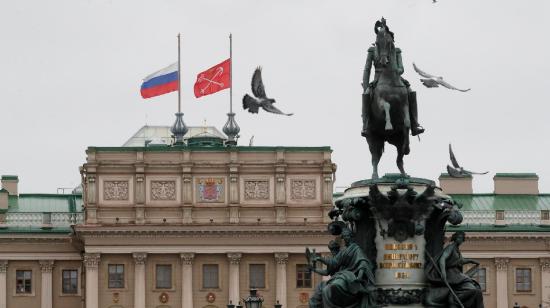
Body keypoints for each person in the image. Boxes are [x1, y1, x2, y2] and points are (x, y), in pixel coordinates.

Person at [362, 18, 424, 137]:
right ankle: (366, 125)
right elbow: (367, 69)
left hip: (396, 76)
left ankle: (415, 124)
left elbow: (401, 68)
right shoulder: (372, 51)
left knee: (410, 92)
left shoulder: (396, 51)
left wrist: (394, 70)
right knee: (366, 94)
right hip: (377, 79)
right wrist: (365, 86)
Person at [308, 229, 376, 308]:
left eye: (347, 236)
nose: (345, 238)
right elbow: (334, 263)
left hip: (351, 274)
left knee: (332, 287)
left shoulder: (356, 248)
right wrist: (318, 260)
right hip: (343, 274)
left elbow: (363, 262)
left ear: (351, 237)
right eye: (344, 237)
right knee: (322, 288)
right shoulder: (344, 250)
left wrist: (359, 277)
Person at [425, 231, 484, 308]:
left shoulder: (456, 249)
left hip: (456, 274)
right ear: (455, 238)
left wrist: (470, 261)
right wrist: (443, 273)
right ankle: (454, 300)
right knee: (473, 289)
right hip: (452, 274)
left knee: (475, 289)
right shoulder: (451, 247)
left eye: (462, 238)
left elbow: (461, 261)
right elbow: (442, 259)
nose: (460, 240)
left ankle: (456, 299)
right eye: (459, 238)